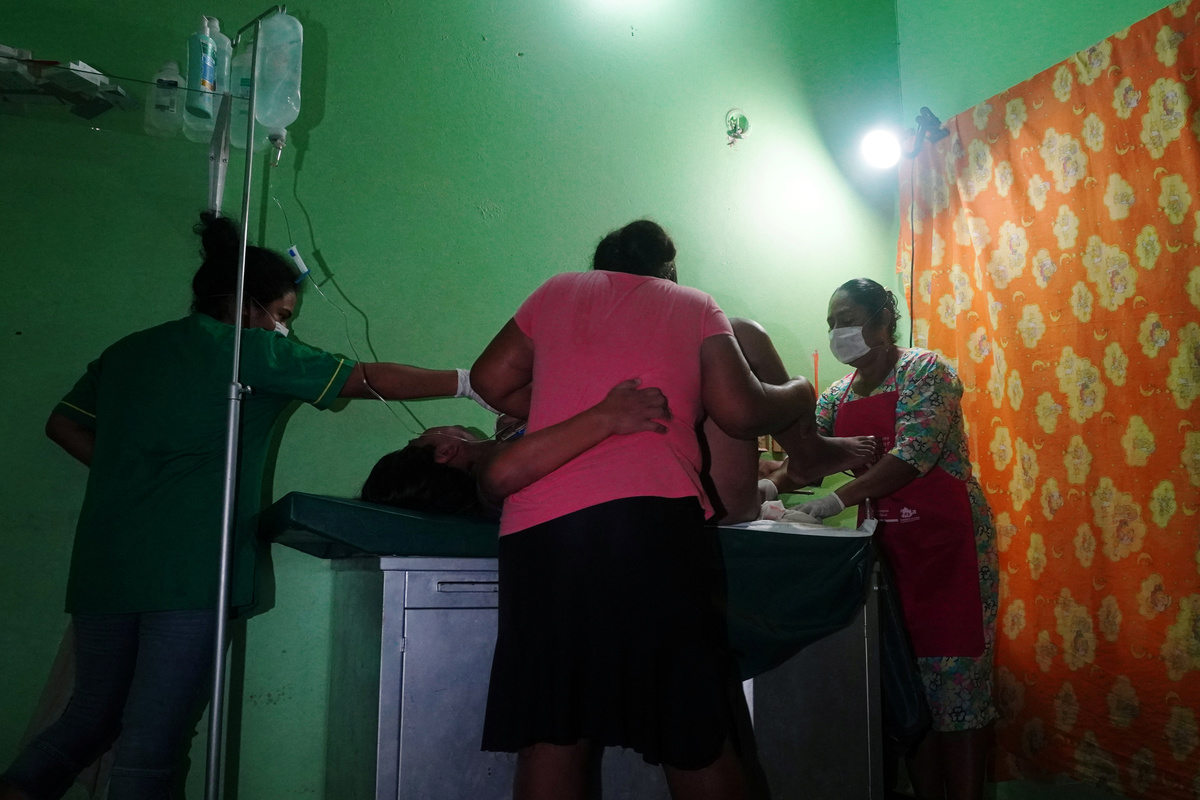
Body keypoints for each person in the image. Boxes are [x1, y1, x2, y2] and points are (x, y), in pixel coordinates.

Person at [0, 214, 492, 800]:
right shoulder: (249, 352)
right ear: (244, 305)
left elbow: (62, 425)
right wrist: (471, 383)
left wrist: (134, 474)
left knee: (89, 717)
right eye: (281, 315)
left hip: (105, 562)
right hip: (189, 568)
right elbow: (364, 379)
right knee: (151, 747)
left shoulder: (126, 352)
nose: (283, 329)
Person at [468, 219, 876, 800]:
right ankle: (808, 452)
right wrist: (800, 393)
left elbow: (488, 380)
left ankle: (807, 457)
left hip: (542, 537)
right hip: (646, 527)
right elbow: (739, 411)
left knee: (551, 731)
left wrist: (566, 395)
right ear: (668, 273)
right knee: (690, 729)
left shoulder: (557, 290)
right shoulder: (694, 305)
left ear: (601, 266)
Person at [794, 277, 998, 800]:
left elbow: (913, 455)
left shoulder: (926, 371)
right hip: (887, 555)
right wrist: (767, 484)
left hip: (948, 551)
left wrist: (835, 502)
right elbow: (809, 459)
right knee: (907, 690)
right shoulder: (836, 395)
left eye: (847, 320)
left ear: (884, 320)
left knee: (957, 682)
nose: (838, 332)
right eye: (831, 323)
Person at [360, 319, 803, 526]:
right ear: (444, 451)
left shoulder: (508, 432)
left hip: (703, 484)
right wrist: (607, 413)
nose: (428, 430)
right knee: (736, 338)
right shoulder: (496, 479)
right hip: (719, 505)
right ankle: (804, 425)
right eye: (420, 439)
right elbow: (512, 469)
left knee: (721, 351)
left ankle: (786, 475)